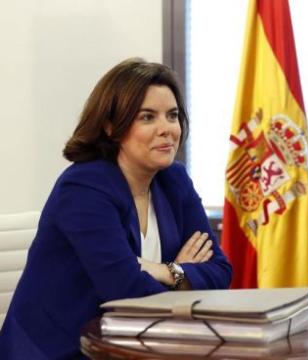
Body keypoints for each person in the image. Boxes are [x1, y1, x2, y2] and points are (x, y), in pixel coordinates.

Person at [0, 58, 232, 358]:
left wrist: (167, 271)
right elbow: (125, 292)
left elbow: (221, 271)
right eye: (147, 117)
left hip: (139, 346)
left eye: (172, 116)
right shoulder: (84, 187)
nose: (166, 129)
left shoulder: (175, 181)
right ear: (112, 127)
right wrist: (184, 280)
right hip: (61, 351)